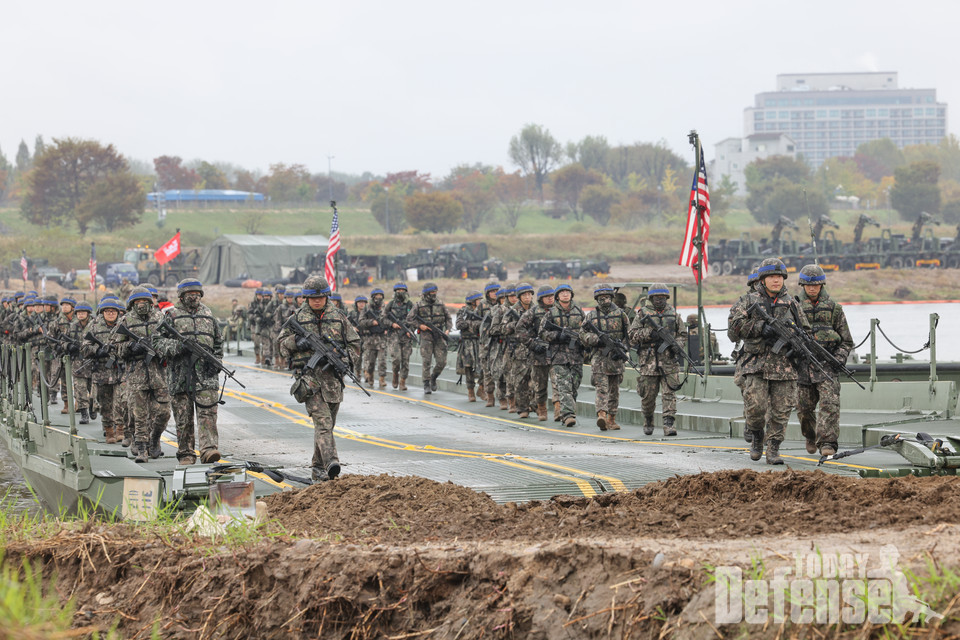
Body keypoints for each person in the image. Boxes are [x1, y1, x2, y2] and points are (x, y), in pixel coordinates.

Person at [278, 276, 361, 482]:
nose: (317, 301)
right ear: (305, 298)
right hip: (309, 381)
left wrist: (344, 358)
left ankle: (317, 468)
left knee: (327, 426)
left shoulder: (339, 317)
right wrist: (297, 342)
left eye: (321, 297)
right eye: (312, 298)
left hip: (332, 381)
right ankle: (331, 462)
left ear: (327, 297)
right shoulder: (297, 318)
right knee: (323, 423)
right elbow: (281, 346)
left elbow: (355, 344)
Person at [727, 258, 809, 465]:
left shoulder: (792, 303)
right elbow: (733, 331)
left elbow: (806, 332)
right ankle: (756, 435)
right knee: (756, 408)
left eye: (779, 277)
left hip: (785, 367)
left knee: (781, 412)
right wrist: (760, 328)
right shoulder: (748, 301)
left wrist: (795, 344)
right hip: (756, 364)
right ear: (763, 280)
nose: (776, 281)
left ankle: (773, 449)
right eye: (771, 277)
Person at [156, 279, 224, 465]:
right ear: (181, 296)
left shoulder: (209, 315)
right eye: (189, 293)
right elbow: (157, 342)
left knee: (208, 414)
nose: (193, 296)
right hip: (180, 375)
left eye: (196, 293)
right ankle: (186, 453)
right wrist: (178, 346)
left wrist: (216, 361)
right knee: (183, 417)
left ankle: (209, 450)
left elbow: (218, 342)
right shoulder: (171, 315)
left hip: (206, 376)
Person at [795, 264, 854, 458]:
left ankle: (828, 442)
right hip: (802, 367)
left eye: (816, 285)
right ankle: (811, 435)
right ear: (802, 285)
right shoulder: (794, 307)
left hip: (828, 365)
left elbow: (846, 341)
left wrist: (839, 359)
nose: (812, 289)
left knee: (830, 404)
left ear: (822, 285)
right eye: (808, 285)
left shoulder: (834, 309)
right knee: (804, 409)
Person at [115, 286, 171, 463]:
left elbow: (171, 340)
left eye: (144, 302)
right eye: (138, 302)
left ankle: (154, 439)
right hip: (137, 374)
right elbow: (115, 347)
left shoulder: (160, 318)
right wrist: (131, 347)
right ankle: (141, 449)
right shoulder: (126, 321)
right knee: (139, 415)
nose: (141, 305)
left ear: (150, 302)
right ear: (132, 303)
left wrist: (162, 349)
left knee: (163, 412)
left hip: (159, 374)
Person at [629, 284, 687, 436]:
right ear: (651, 298)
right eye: (657, 298)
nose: (660, 300)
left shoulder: (674, 314)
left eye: (663, 298)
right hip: (649, 361)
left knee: (670, 394)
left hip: (669, 361)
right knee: (648, 396)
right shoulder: (642, 314)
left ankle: (669, 424)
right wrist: (649, 333)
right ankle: (648, 419)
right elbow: (632, 336)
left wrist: (677, 345)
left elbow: (682, 334)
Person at [581, 285, 630, 431]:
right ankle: (601, 415)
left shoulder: (621, 315)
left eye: (607, 297)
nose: (605, 300)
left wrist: (622, 348)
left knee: (614, 390)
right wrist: (596, 339)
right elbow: (582, 335)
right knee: (601, 388)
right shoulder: (590, 316)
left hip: (616, 359)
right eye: (601, 298)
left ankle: (612, 419)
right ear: (597, 299)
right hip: (599, 358)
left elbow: (630, 335)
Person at [539, 283, 584, 428]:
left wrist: (583, 340)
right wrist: (558, 336)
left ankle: (568, 410)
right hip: (559, 356)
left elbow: (587, 330)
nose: (565, 294)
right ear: (557, 296)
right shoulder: (551, 313)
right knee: (564, 387)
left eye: (568, 292)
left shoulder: (579, 312)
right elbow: (542, 333)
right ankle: (568, 415)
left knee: (574, 386)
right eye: (562, 292)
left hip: (576, 356)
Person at [81, 299, 123, 443]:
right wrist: (98, 350)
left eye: (113, 311)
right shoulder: (94, 326)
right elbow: (84, 347)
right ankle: (109, 431)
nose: (110, 313)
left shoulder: (123, 325)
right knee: (105, 404)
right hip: (102, 371)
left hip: (121, 371)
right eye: (107, 311)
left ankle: (121, 429)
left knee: (121, 401)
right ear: (102, 313)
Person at [515, 286, 554, 421]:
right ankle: (541, 409)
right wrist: (532, 344)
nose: (550, 298)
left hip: (558, 353)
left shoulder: (558, 311)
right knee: (540, 384)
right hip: (539, 353)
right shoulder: (533, 312)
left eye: (552, 296)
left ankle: (561, 411)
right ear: (541, 298)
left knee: (559, 383)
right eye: (547, 296)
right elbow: (519, 329)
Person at [407, 282, 451, 394]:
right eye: (432, 292)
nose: (434, 294)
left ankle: (433, 377)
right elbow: (409, 319)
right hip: (426, 336)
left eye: (435, 292)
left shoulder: (440, 304)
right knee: (426, 361)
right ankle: (426, 383)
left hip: (439, 335)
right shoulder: (418, 305)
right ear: (426, 293)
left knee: (442, 362)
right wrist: (420, 326)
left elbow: (448, 318)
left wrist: (448, 329)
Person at [502, 283, 536, 417]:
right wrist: (514, 325)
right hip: (518, 350)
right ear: (519, 297)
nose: (527, 297)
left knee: (536, 381)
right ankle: (522, 408)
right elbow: (502, 329)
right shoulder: (512, 311)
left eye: (529, 294)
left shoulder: (536, 309)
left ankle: (535, 405)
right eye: (524, 295)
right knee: (520, 382)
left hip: (534, 348)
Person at [67, 302, 94, 424]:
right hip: (78, 363)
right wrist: (69, 346)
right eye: (78, 312)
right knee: (80, 389)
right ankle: (84, 413)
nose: (81, 314)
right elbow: (62, 342)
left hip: (94, 363)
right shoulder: (72, 327)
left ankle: (93, 405)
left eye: (83, 312)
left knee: (94, 390)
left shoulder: (95, 325)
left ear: (88, 314)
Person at [384, 283, 414, 390]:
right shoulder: (391, 304)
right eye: (398, 290)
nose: (400, 292)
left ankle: (403, 381)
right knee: (396, 359)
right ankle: (395, 374)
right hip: (394, 335)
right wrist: (392, 324)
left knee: (405, 360)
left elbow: (415, 319)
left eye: (403, 290)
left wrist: (410, 330)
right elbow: (383, 318)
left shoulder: (410, 304)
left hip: (406, 336)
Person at [455, 291, 484, 401]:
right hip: (467, 343)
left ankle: (481, 388)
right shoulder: (463, 311)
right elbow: (459, 325)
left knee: (484, 367)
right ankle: (470, 391)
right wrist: (471, 323)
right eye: (478, 300)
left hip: (479, 342)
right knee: (468, 367)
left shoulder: (482, 311)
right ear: (472, 302)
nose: (480, 302)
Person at [476, 282, 501, 405]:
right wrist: (484, 325)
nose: (495, 293)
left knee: (500, 370)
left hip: (498, 341)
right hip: (485, 342)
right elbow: (473, 322)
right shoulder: (482, 305)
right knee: (487, 371)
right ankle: (490, 396)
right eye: (492, 291)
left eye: (497, 291)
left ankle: (503, 397)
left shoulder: (503, 304)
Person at [359, 288, 388, 388]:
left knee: (382, 361)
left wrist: (387, 327)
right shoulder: (367, 308)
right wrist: (371, 322)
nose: (379, 298)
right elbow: (361, 322)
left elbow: (389, 319)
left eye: (380, 296)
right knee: (370, 362)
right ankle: (370, 376)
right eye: (377, 296)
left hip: (381, 339)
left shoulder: (385, 308)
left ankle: (382, 379)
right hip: (370, 339)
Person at [347, 295, 367, 380]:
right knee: (358, 357)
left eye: (363, 302)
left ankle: (367, 373)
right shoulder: (352, 313)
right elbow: (346, 323)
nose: (362, 304)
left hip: (367, 337)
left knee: (367, 357)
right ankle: (358, 373)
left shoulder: (368, 313)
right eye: (360, 302)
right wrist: (353, 328)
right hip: (356, 338)